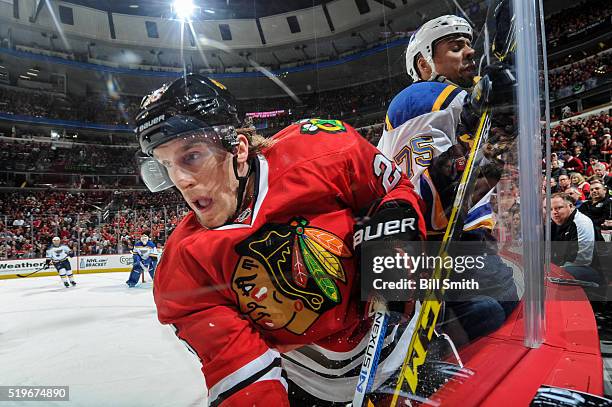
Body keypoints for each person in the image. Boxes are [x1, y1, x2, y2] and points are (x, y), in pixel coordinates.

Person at [137, 74, 426, 405]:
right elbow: (246, 380)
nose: (181, 181)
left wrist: (395, 217)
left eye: (191, 156)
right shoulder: (183, 270)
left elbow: (396, 189)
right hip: (314, 386)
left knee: (490, 311)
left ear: (238, 148)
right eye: (165, 166)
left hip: (408, 332)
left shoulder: (324, 149)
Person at [377, 15, 518, 342]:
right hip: (443, 256)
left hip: (462, 249)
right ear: (424, 65)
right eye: (456, 47)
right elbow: (436, 191)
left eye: (469, 44)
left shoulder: (458, 108)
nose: (469, 52)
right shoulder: (417, 97)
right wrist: (487, 113)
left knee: (502, 320)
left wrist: (498, 131)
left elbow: (467, 181)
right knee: (493, 323)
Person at [550, 193, 603, 286]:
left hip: (586, 269)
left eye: (558, 208)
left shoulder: (581, 222)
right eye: (551, 209)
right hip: (566, 266)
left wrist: (555, 269)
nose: (554, 212)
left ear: (570, 206)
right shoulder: (558, 222)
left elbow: (582, 260)